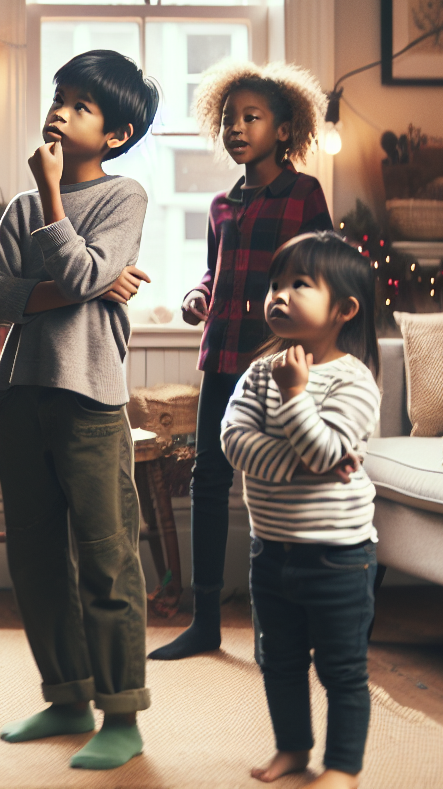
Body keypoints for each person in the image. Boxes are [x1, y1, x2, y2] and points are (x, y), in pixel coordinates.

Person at [0, 50, 160, 771]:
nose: (60, 111)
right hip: (19, 397)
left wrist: (54, 205)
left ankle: (121, 714)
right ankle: (66, 697)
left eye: (81, 104)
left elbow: (82, 268)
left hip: (89, 400)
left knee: (108, 558)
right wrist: (73, 286)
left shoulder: (124, 198)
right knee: (35, 555)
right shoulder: (20, 208)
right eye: (60, 97)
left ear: (115, 133)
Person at [150, 61, 333, 662]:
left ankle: (276, 624)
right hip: (221, 354)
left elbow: (325, 272)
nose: (236, 128)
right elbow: (215, 269)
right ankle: (205, 622)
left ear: (284, 130)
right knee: (208, 480)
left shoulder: (304, 194)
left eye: (251, 118)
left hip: (277, 362)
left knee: (274, 484)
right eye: (229, 118)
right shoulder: (221, 204)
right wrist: (198, 295)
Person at [223, 232, 381, 789]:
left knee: (341, 670)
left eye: (299, 285)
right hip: (271, 553)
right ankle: (293, 749)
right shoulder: (258, 372)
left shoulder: (355, 382)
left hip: (339, 559)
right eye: (274, 285)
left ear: (344, 310)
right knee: (279, 662)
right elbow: (233, 442)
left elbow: (325, 449)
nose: (279, 296)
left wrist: (296, 398)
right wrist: (304, 461)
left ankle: (342, 768)